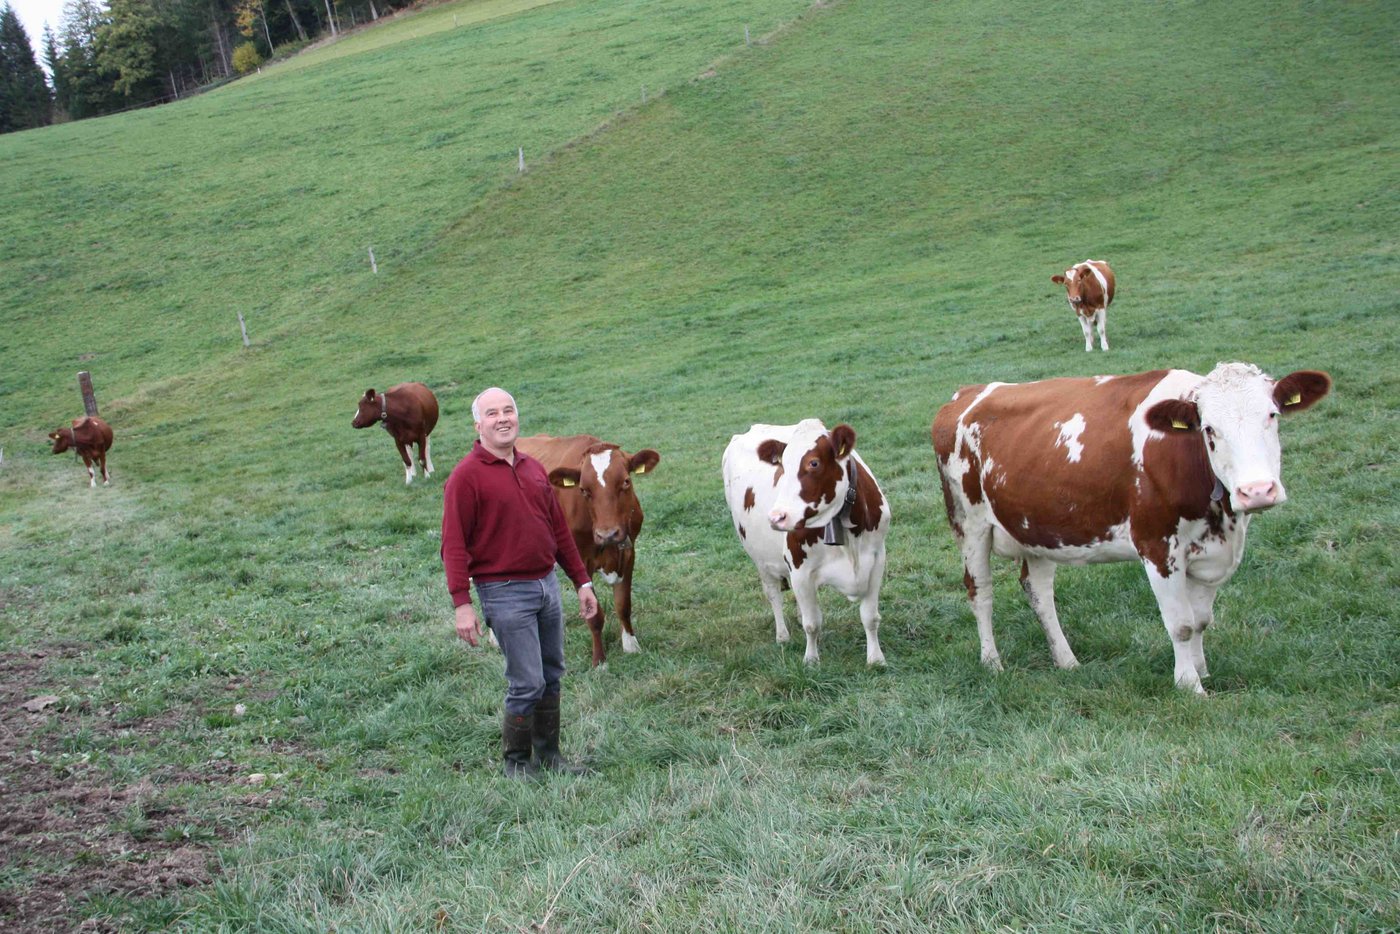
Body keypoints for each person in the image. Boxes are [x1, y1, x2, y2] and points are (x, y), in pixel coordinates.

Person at [440, 387, 600, 779]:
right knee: (526, 680)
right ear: (479, 425)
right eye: (492, 413)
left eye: (508, 410)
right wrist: (463, 603)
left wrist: (582, 581)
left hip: (546, 585)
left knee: (551, 672)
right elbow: (453, 544)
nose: (502, 419)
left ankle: (550, 756)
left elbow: (559, 530)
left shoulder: (531, 468)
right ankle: (516, 763)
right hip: (504, 590)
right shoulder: (465, 477)